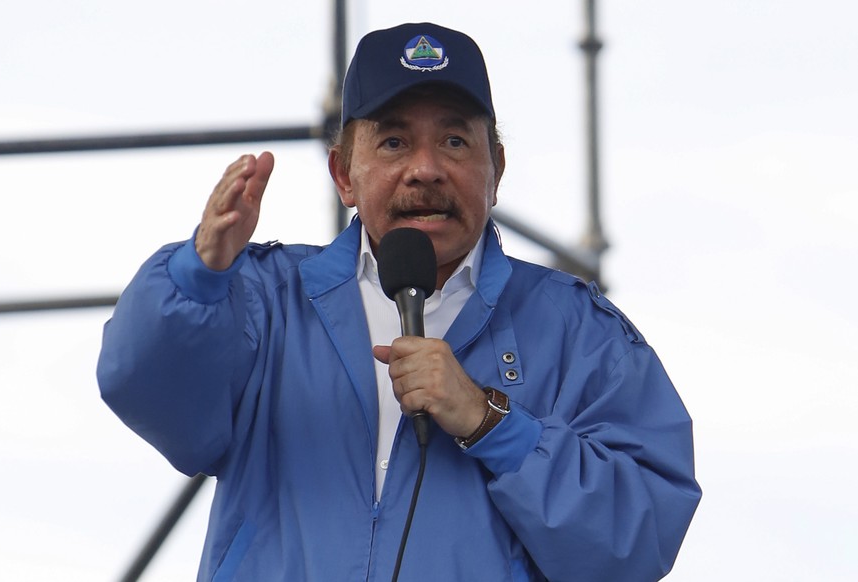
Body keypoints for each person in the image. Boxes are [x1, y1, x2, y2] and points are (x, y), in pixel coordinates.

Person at [97, 22, 701, 581]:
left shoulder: (578, 332)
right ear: (343, 175)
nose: (427, 169)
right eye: (392, 143)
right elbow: (146, 390)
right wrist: (200, 275)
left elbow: (638, 537)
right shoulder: (264, 300)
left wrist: (492, 422)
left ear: (497, 170)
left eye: (457, 141)